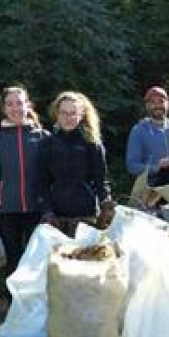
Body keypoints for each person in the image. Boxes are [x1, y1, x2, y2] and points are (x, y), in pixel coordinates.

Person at [0, 85, 49, 276]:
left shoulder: (44, 137)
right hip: (6, 211)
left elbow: (52, 177)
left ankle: (36, 306)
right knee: (13, 264)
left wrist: (50, 210)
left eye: (19, 103)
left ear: (28, 105)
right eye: (9, 104)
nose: (15, 108)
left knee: (37, 262)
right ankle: (14, 304)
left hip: (38, 210)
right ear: (4, 108)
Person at [38, 91, 113, 236]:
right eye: (64, 113)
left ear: (81, 115)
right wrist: (47, 211)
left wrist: (106, 203)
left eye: (73, 113)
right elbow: (42, 182)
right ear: (57, 114)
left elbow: (100, 180)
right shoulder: (47, 144)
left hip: (86, 215)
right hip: (55, 217)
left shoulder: (92, 144)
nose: (68, 117)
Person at [126, 85, 169, 179]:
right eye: (152, 102)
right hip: (150, 187)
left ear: (168, 104)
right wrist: (157, 168)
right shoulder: (138, 130)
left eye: (161, 101)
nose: (157, 105)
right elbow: (132, 166)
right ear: (147, 106)